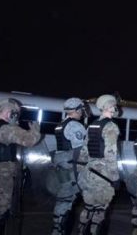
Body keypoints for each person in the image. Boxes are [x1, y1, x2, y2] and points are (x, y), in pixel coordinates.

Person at [0, 98, 41, 235]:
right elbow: (29, 140)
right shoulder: (5, 129)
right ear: (11, 113)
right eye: (16, 114)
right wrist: (35, 129)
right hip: (0, 179)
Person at [76, 94, 120, 235]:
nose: (116, 107)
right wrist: (115, 177)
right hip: (103, 174)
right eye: (114, 105)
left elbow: (84, 150)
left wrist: (80, 171)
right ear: (109, 106)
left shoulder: (92, 125)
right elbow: (110, 154)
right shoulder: (111, 126)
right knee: (100, 210)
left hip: (89, 172)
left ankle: (81, 231)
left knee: (89, 207)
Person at [51, 97, 88, 235]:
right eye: (81, 109)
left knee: (63, 201)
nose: (82, 112)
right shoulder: (75, 126)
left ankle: (57, 229)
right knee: (68, 202)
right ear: (76, 110)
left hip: (63, 167)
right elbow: (80, 150)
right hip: (72, 168)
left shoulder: (61, 124)